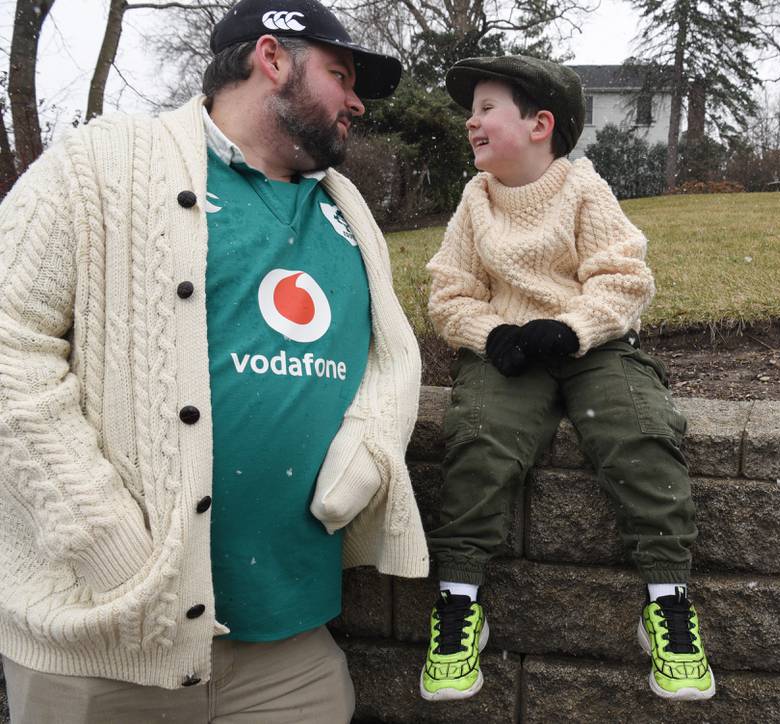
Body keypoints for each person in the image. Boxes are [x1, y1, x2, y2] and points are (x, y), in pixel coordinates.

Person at [0, 0, 428, 721]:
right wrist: (105, 540)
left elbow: (394, 356)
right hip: (106, 642)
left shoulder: (348, 209)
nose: (356, 100)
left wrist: (376, 443)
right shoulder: (100, 164)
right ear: (271, 59)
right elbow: (9, 341)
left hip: (291, 652)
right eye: (340, 73)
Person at [420, 55, 714, 703]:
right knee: (479, 437)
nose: (471, 120)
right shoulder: (475, 202)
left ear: (539, 123)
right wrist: (489, 334)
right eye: (471, 110)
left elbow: (623, 278)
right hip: (510, 351)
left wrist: (574, 327)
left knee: (641, 430)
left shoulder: (583, 189)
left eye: (487, 107)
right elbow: (450, 294)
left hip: (593, 345)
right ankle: (458, 600)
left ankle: (667, 601)